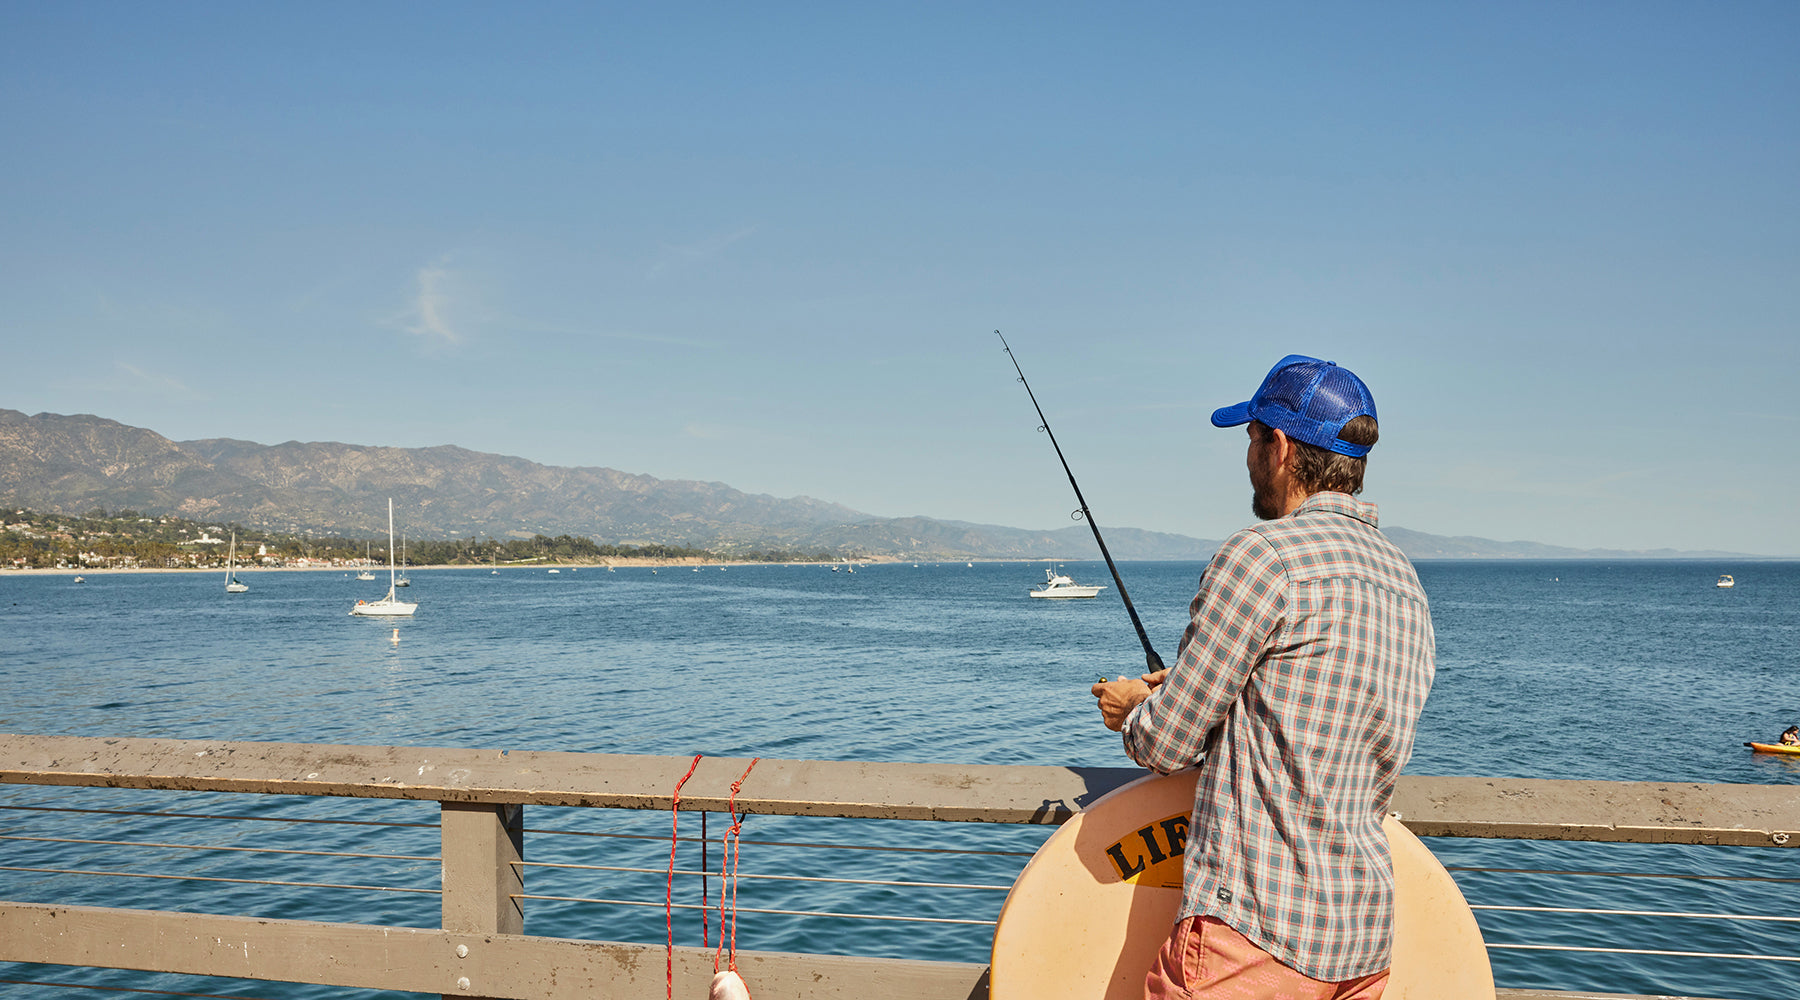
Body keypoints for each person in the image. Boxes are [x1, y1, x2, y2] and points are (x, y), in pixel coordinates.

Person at [1092, 355, 1436, 999]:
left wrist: (1135, 707)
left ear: (1279, 447)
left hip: (1253, 935)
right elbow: (1312, 711)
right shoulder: (1404, 583)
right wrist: (1191, 685)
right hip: (1361, 943)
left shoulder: (1263, 556)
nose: (1248, 457)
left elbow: (1167, 742)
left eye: (1251, 439)